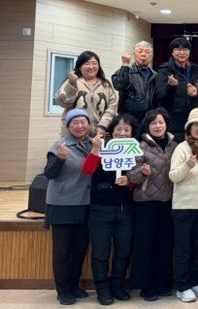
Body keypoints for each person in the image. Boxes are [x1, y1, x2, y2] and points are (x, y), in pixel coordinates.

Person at [82, 113, 138, 305]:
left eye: (126, 130)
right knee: (100, 251)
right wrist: (95, 149)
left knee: (124, 249)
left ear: (132, 132)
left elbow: (139, 178)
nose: (122, 133)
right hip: (100, 208)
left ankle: (117, 285)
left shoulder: (134, 150)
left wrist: (129, 181)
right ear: (111, 132)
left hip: (126, 208)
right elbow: (88, 170)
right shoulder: (102, 148)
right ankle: (102, 288)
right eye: (118, 129)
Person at [127, 107, 178, 301]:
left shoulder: (175, 145)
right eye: (153, 123)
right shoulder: (139, 146)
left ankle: (163, 283)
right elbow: (131, 176)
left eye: (161, 122)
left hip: (168, 202)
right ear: (147, 126)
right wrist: (142, 173)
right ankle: (146, 286)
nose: (158, 126)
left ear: (166, 125)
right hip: (146, 202)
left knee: (165, 244)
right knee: (145, 245)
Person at [44, 109, 94, 305]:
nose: (80, 126)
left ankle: (74, 285)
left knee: (80, 248)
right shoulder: (60, 145)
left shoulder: (93, 145)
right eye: (75, 122)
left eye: (83, 122)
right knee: (62, 251)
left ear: (89, 124)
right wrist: (60, 158)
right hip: (62, 204)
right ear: (68, 126)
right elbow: (49, 173)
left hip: (85, 203)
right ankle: (63, 290)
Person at [169, 108, 198, 302]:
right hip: (183, 208)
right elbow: (173, 176)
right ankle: (182, 286)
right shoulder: (181, 148)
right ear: (189, 127)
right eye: (196, 125)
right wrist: (186, 166)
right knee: (184, 249)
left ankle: (195, 282)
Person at [56, 50, 118, 137]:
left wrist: (103, 125)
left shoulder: (106, 85)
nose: (91, 66)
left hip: (99, 134)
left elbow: (112, 108)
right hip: (74, 133)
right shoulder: (72, 81)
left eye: (94, 63)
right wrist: (71, 85)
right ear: (80, 67)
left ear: (98, 66)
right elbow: (62, 103)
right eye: (87, 64)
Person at [154, 37, 198, 141]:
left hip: (193, 121)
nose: (182, 53)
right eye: (178, 49)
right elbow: (160, 98)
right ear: (172, 52)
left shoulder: (195, 70)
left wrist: (195, 95)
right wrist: (171, 87)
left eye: (185, 49)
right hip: (173, 123)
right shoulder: (164, 72)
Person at [111, 41, 156, 122]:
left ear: (152, 56)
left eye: (147, 52)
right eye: (140, 51)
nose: (143, 54)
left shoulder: (155, 75)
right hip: (128, 119)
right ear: (134, 55)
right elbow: (119, 85)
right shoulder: (125, 71)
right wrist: (125, 64)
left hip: (149, 120)